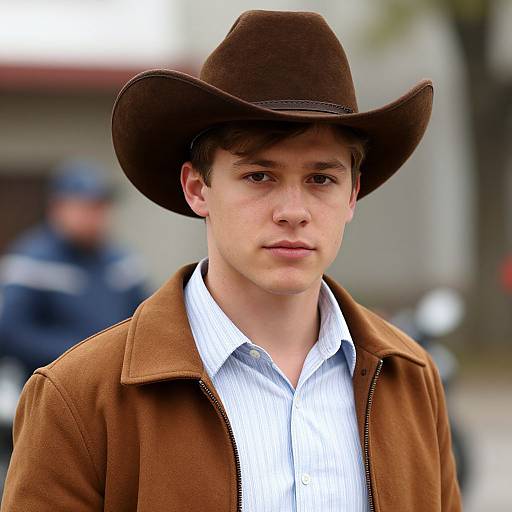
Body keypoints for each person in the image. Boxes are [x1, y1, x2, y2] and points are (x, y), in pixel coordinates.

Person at [1, 11, 461, 512]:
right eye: (259, 176)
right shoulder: (78, 397)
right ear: (198, 188)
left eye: (321, 179)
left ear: (353, 195)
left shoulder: (413, 378)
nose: (293, 212)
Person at [0, 160, 148, 378]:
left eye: (100, 207)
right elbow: (11, 334)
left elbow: (146, 321)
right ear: (57, 208)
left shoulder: (122, 262)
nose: (95, 217)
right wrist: (84, 352)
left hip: (112, 387)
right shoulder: (30, 261)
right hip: (51, 389)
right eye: (85, 207)